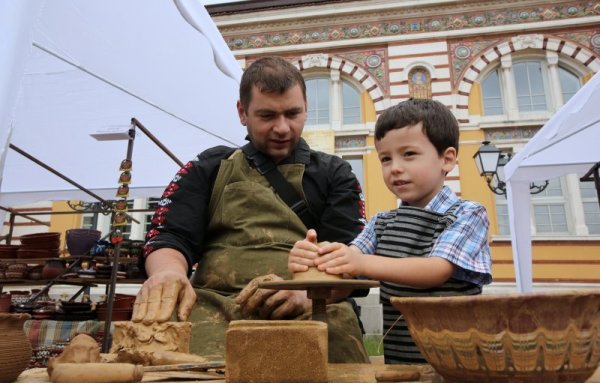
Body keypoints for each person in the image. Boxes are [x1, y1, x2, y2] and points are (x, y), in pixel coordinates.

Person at [132, 56, 370, 363]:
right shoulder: (208, 167)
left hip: (314, 303)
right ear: (242, 113)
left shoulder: (335, 173)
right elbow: (170, 235)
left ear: (306, 109)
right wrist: (168, 273)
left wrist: (309, 295)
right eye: (267, 115)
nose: (282, 128)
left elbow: (353, 255)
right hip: (215, 304)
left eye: (293, 114)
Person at [289, 99, 492, 364]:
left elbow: (437, 270)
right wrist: (313, 260)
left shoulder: (467, 214)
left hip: (459, 363)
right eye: (386, 158)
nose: (395, 167)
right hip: (402, 361)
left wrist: (361, 262)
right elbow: (347, 268)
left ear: (447, 158)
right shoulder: (382, 222)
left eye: (409, 154)